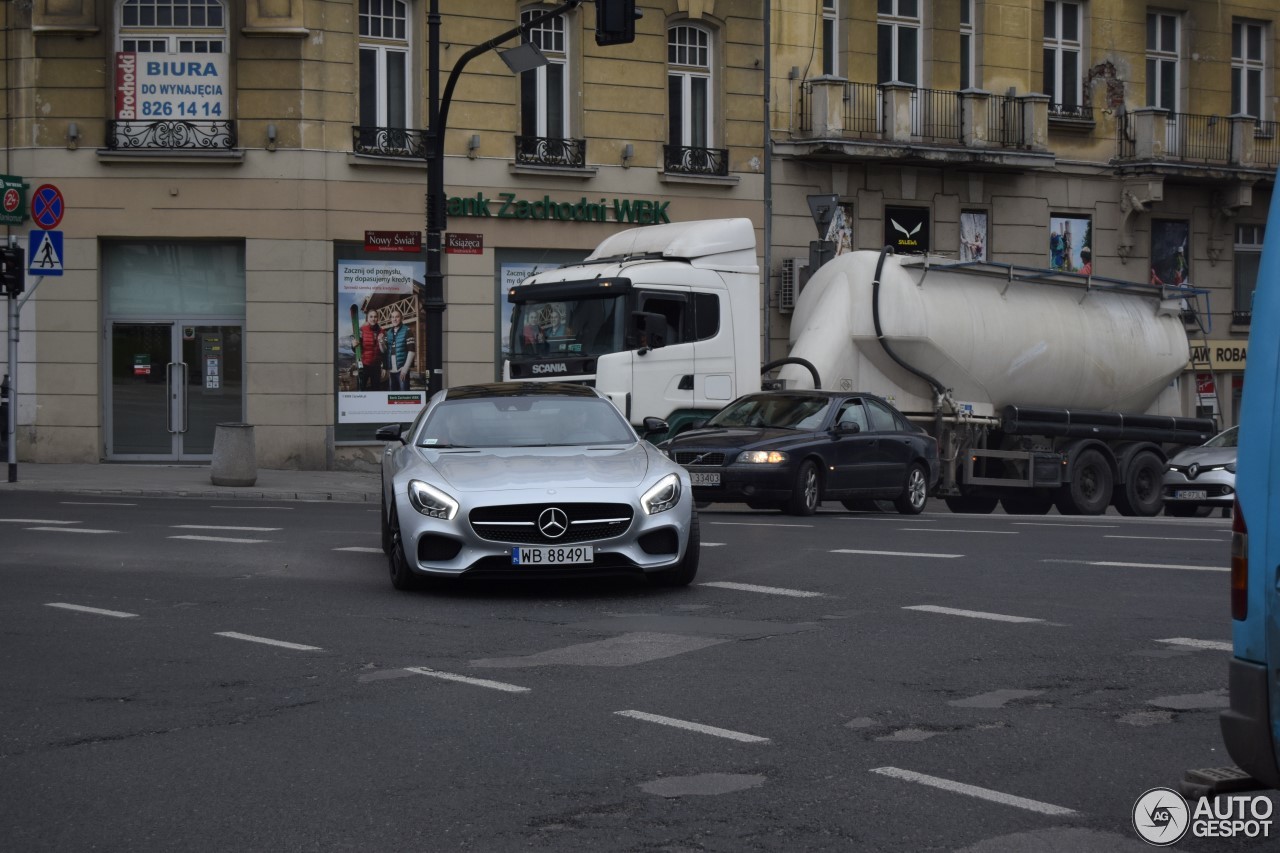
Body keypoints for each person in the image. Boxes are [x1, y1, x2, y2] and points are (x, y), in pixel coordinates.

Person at [381, 308, 415, 392]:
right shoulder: (388, 333)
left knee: (404, 396)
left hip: (402, 369)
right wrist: (381, 342)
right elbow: (384, 351)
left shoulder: (407, 330)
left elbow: (412, 351)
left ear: (401, 318)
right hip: (391, 371)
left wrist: (405, 369)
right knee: (393, 397)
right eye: (392, 317)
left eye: (397, 317)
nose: (394, 319)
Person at [354, 309, 383, 391]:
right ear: (367, 318)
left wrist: (384, 366)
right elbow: (356, 348)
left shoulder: (382, 331)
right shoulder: (362, 330)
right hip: (364, 365)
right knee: (361, 389)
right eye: (371, 317)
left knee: (376, 389)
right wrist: (353, 345)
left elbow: (383, 350)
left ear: (377, 318)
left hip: (376, 366)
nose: (373, 319)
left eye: (375, 317)